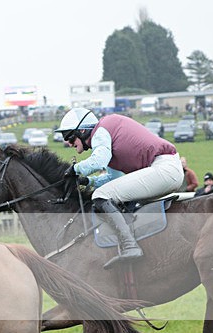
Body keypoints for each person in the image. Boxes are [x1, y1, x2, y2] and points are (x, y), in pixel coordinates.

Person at [56, 108, 182, 269]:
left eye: (69, 136)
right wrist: (87, 181)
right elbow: (114, 179)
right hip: (165, 169)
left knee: (100, 196)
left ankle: (130, 246)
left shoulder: (101, 130)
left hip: (164, 169)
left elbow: (98, 161)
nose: (68, 142)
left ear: (82, 130)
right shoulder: (106, 138)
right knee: (104, 192)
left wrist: (74, 169)